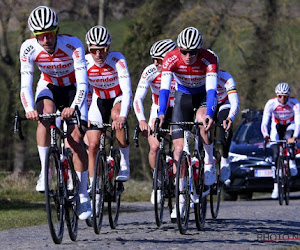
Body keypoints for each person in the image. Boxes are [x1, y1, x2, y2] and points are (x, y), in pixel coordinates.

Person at [20, 6, 91, 220]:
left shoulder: (73, 44)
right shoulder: (28, 48)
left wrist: (75, 106)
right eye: (40, 36)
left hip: (73, 89)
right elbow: (26, 85)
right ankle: (45, 171)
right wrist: (29, 109)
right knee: (44, 117)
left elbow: (83, 83)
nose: (45, 40)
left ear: (57, 31)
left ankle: (83, 194)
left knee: (75, 140)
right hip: (48, 86)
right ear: (35, 36)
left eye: (49, 34)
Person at [157, 27, 218, 218]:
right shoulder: (170, 58)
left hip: (202, 97)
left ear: (199, 50)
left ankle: (208, 161)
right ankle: (181, 200)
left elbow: (211, 91)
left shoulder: (209, 59)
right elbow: (165, 91)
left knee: (202, 121)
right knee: (178, 149)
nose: (189, 56)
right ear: (179, 49)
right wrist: (160, 114)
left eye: (193, 52)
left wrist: (209, 114)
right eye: (184, 51)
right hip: (182, 97)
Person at [85, 26, 132, 190]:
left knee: (116, 115)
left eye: (103, 49)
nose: (99, 54)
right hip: (98, 100)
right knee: (92, 145)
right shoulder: (85, 62)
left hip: (117, 98)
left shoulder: (117, 59)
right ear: (89, 49)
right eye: (94, 50)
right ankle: (94, 184)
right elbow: (83, 91)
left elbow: (127, 91)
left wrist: (123, 117)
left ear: (109, 48)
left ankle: (125, 163)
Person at [133, 39, 177, 204]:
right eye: (154, 59)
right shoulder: (150, 71)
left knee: (178, 146)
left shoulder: (179, 71)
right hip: (158, 110)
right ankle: (157, 182)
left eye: (160, 60)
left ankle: (180, 184)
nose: (156, 63)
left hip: (178, 109)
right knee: (154, 146)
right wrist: (142, 120)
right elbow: (138, 98)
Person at [261, 82, 300, 199]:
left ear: (289, 96)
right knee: (275, 156)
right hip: (276, 126)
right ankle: (276, 187)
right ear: (276, 95)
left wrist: (295, 136)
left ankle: (291, 160)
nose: (282, 99)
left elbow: (298, 123)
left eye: (285, 96)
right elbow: (264, 122)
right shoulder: (271, 103)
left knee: (289, 137)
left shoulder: (295, 103)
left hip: (290, 125)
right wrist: (265, 134)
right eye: (280, 96)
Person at [214, 69, 240, 182]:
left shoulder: (226, 77)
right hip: (208, 103)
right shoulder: (200, 76)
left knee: (225, 123)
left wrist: (230, 118)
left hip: (224, 103)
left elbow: (235, 103)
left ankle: (225, 157)